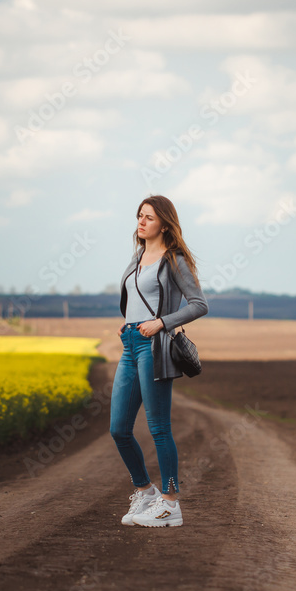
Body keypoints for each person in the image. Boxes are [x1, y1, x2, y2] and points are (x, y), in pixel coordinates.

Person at [111, 195, 208, 528]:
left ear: (164, 224)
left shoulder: (174, 260)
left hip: (155, 348)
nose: (140, 222)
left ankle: (170, 503)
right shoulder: (138, 257)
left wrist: (161, 323)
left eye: (148, 217)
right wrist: (128, 326)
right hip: (130, 345)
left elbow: (198, 304)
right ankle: (146, 491)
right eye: (139, 216)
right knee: (118, 428)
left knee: (159, 429)